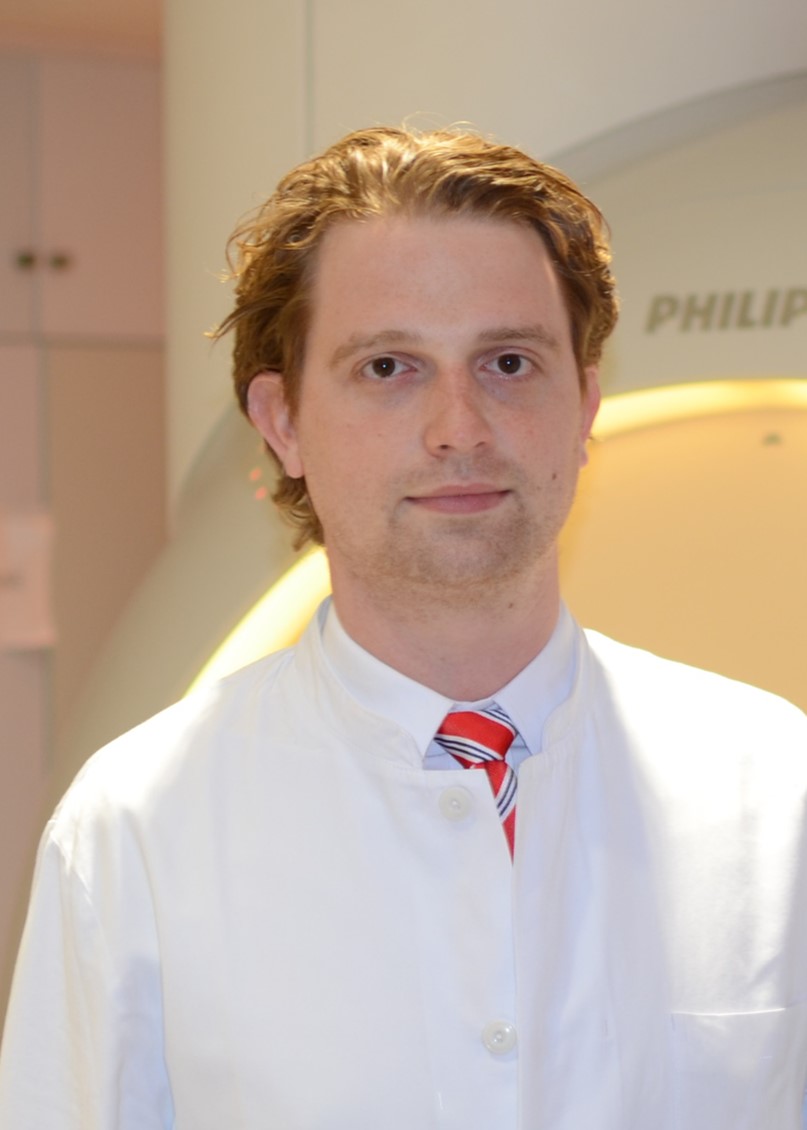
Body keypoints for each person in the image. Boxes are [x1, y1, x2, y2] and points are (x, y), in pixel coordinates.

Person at [1, 125, 805, 1130]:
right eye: (389, 367)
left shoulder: (776, 791)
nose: (459, 427)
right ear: (283, 421)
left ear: (584, 404)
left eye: (508, 361)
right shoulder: (135, 829)